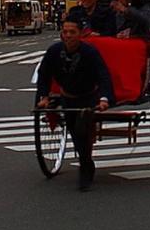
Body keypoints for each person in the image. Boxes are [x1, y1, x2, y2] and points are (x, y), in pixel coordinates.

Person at [35, 20, 115, 191]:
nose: (68, 36)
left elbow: (103, 75)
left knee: (81, 130)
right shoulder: (54, 51)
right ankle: (87, 163)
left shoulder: (89, 52)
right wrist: (44, 97)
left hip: (88, 97)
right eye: (65, 32)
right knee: (74, 130)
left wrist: (104, 99)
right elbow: (44, 74)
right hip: (68, 97)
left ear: (80, 34)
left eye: (72, 32)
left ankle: (85, 168)